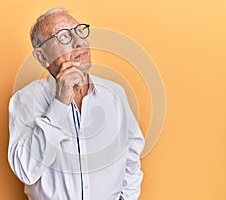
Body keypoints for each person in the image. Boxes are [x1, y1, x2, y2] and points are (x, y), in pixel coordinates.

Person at [8, 7, 145, 200]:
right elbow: (26, 171)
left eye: (79, 31)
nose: (78, 42)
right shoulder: (25, 100)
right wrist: (60, 103)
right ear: (42, 57)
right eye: (64, 36)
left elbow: (131, 158)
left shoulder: (115, 94)